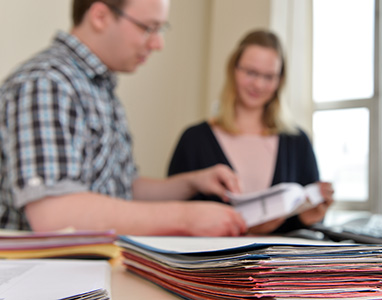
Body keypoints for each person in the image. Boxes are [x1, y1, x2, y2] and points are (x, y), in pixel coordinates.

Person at [0, 0, 248, 237]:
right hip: (41, 275)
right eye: (148, 28)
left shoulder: (99, 88)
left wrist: (193, 183)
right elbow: (55, 215)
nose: (158, 43)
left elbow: (124, 190)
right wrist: (185, 218)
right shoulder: (47, 83)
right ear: (100, 16)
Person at [168, 29, 335, 234]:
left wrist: (308, 216)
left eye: (269, 76)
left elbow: (306, 225)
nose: (258, 84)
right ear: (233, 70)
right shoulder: (193, 140)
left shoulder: (297, 142)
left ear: (280, 80)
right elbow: (175, 218)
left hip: (280, 264)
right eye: (251, 73)